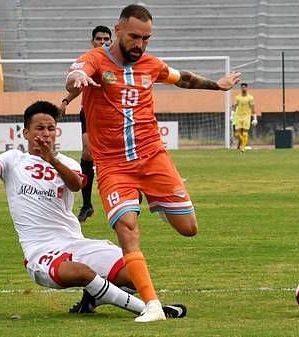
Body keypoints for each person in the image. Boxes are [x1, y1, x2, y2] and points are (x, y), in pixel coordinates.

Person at [64, 4, 240, 322]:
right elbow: (76, 73)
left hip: (153, 158)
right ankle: (152, 305)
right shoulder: (95, 59)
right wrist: (76, 79)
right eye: (134, 36)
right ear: (118, 30)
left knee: (189, 229)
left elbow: (182, 78)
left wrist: (218, 85)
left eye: (146, 38)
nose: (140, 44)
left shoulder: (151, 64)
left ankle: (155, 200)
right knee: (128, 229)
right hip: (114, 165)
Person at [0, 100, 186, 320]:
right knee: (82, 272)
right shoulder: (12, 160)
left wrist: (51, 159)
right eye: (39, 128)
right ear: (26, 133)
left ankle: (96, 298)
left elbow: (76, 184)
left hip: (75, 244)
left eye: (51, 128)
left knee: (132, 270)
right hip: (40, 252)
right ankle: (152, 310)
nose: (45, 133)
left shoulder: (67, 162)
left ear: (57, 132)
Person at [60, 25, 112, 223]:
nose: (103, 42)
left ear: (111, 41)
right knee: (87, 153)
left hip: (112, 116)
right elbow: (78, 85)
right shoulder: (87, 61)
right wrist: (65, 101)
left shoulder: (113, 62)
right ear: (93, 41)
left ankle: (131, 191)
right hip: (90, 113)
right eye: (99, 39)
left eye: (106, 39)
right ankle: (87, 204)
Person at [231, 83, 257, 152]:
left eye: (244, 87)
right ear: (241, 88)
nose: (243, 89)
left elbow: (253, 108)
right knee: (237, 134)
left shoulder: (250, 98)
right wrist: (232, 115)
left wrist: (255, 118)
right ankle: (243, 144)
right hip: (238, 117)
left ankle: (242, 147)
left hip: (246, 117)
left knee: (245, 133)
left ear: (246, 88)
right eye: (242, 87)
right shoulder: (237, 97)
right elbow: (234, 106)